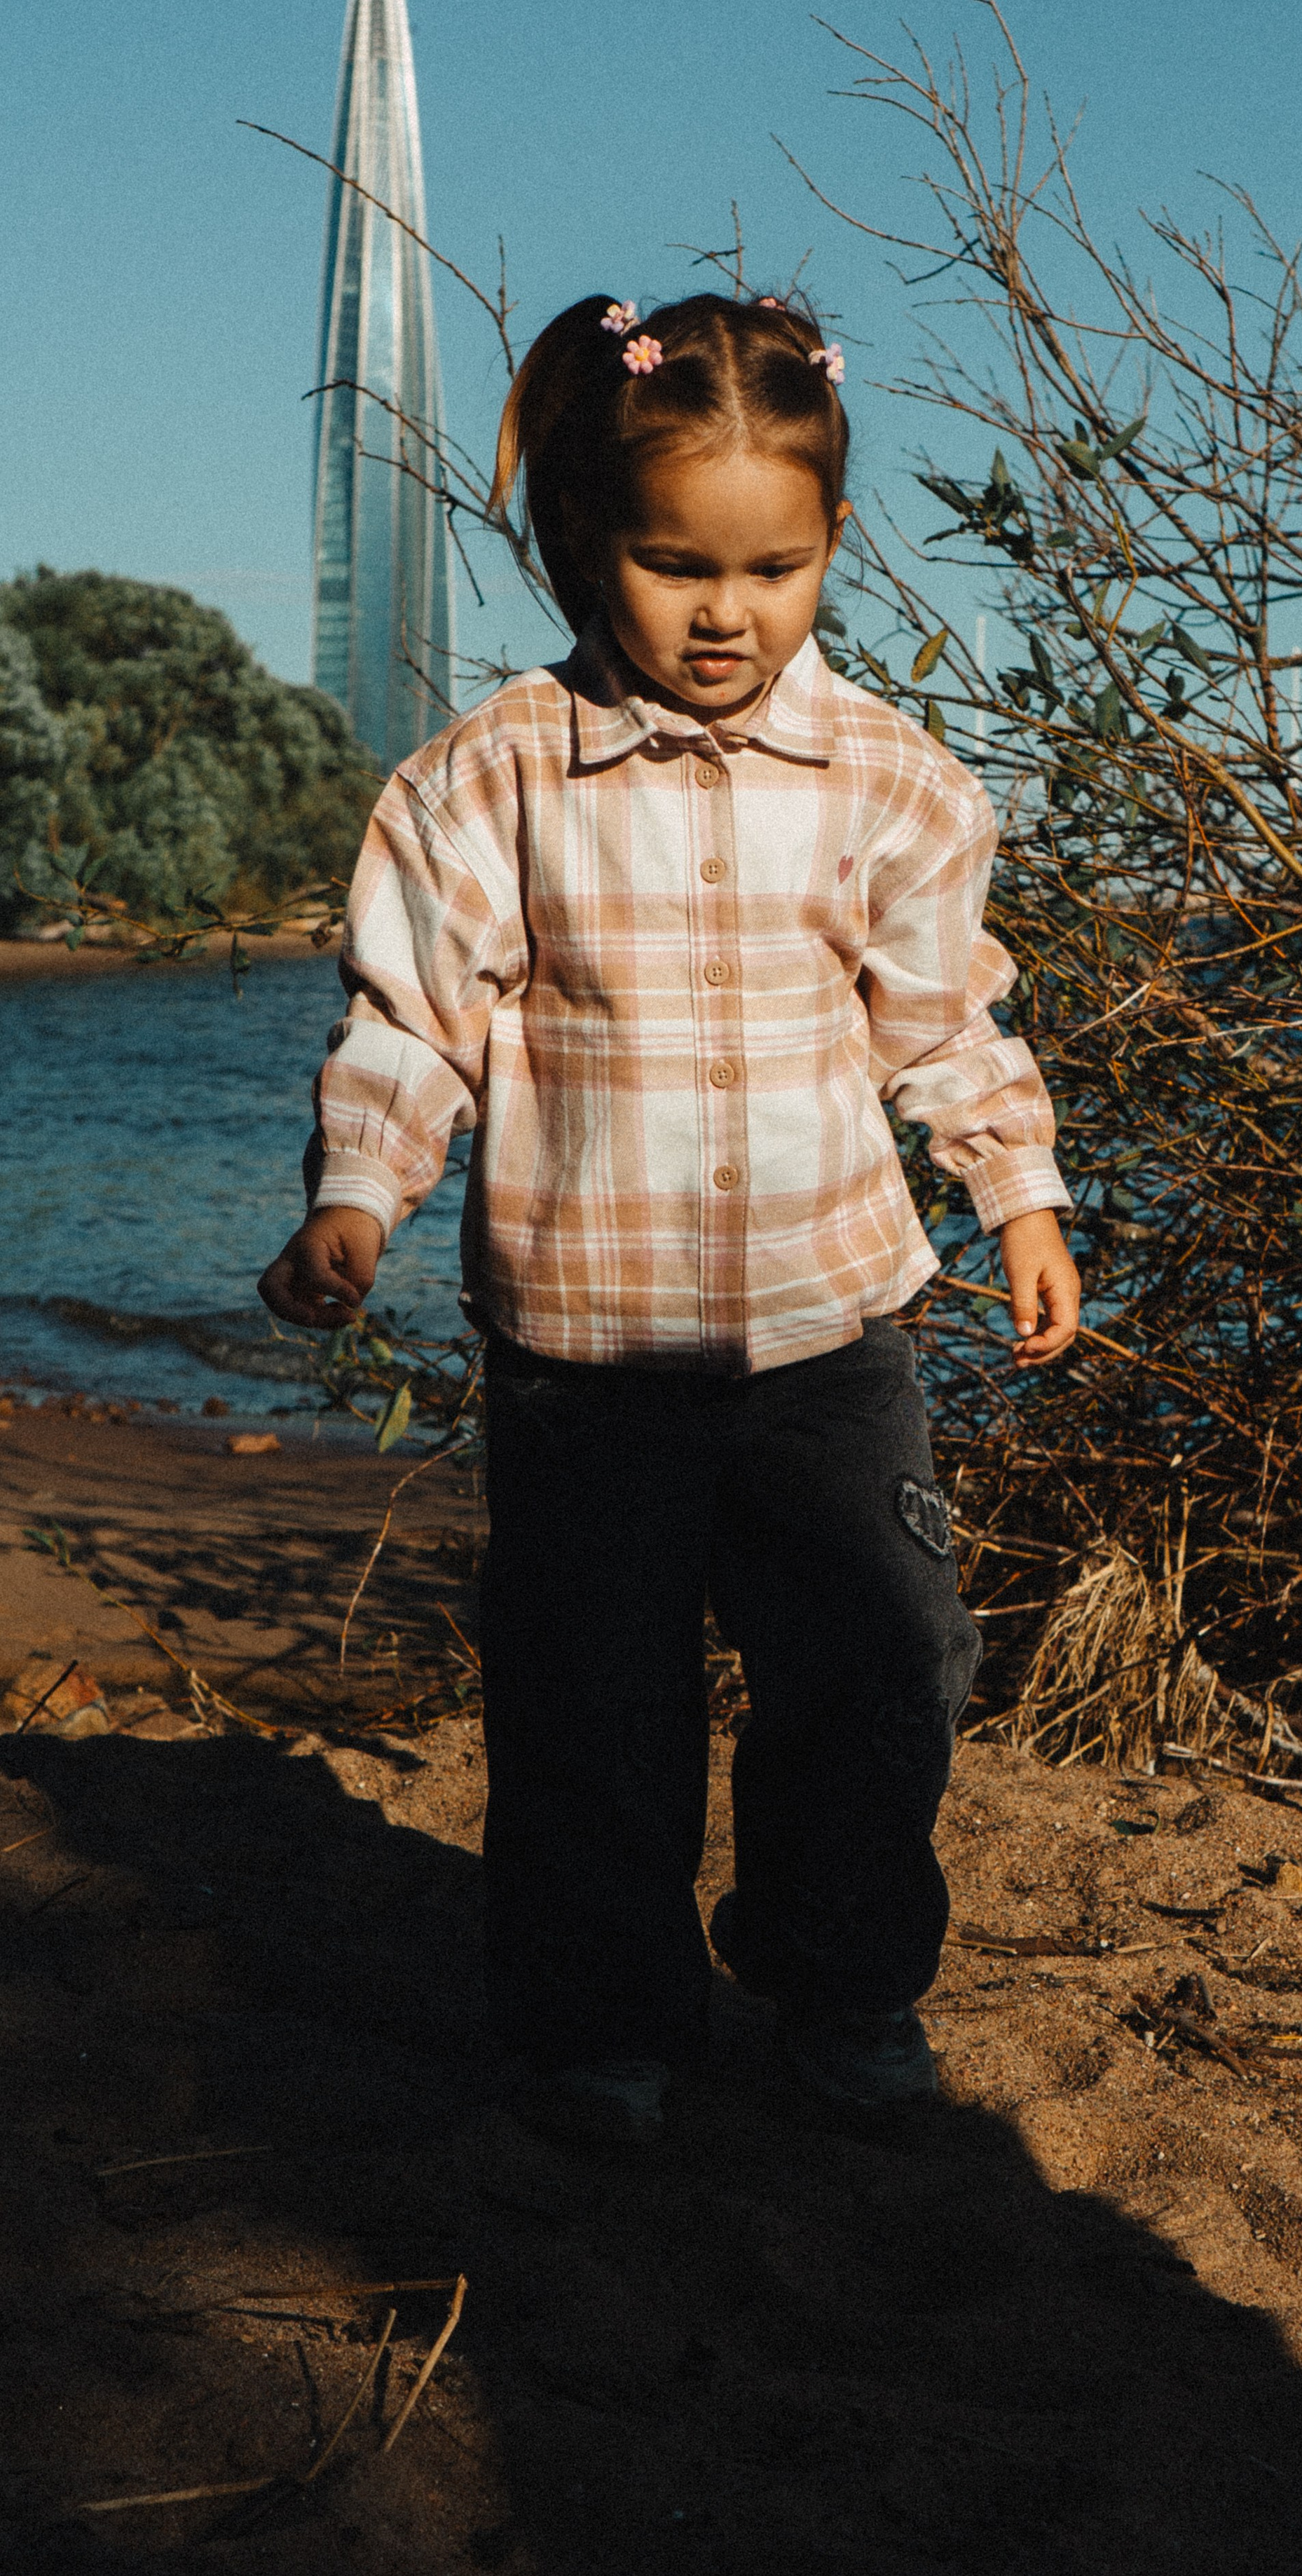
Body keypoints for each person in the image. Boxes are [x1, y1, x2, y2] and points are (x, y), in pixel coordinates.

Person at [259, 290, 1080, 2145]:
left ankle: (838, 1980)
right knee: (591, 1714)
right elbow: (414, 1022)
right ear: (586, 544)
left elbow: (949, 1019)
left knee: (883, 1676)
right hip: (584, 1354)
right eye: (675, 563)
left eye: (774, 568)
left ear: (833, 547)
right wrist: (357, 1204)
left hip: (833, 1340)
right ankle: (598, 2030)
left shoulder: (890, 782)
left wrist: (1018, 1193)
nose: (729, 613)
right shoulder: (487, 785)